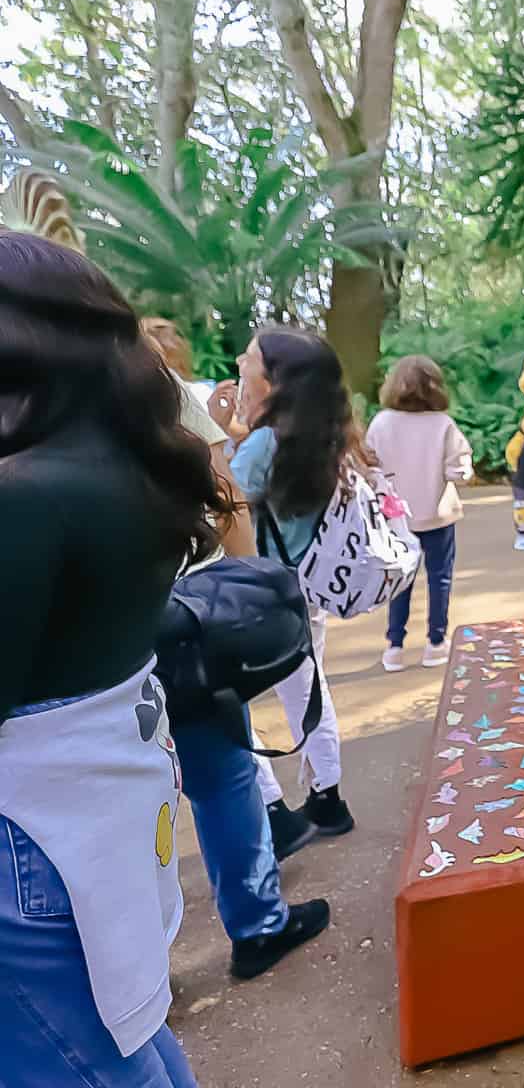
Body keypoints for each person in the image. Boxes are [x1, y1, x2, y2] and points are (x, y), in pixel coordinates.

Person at [0, 233, 218, 1085]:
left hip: (30, 841)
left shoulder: (23, 495)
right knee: (131, 1045)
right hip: (107, 817)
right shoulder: (138, 468)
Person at [143, 318, 332, 974]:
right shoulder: (153, 387)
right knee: (223, 779)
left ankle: (132, 976)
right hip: (176, 627)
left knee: (112, 808)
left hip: (61, 641)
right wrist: (253, 587)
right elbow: (227, 497)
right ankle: (258, 926)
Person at [229, 328, 357, 842]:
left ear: (274, 379)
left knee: (225, 699)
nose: (241, 362)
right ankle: (327, 796)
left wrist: (216, 437)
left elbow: (224, 502)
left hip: (261, 593)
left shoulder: (265, 443)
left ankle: (273, 807)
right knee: (308, 690)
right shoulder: (324, 433)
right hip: (307, 587)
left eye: (251, 358)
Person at [366, 355, 473, 672]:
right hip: (437, 514)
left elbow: (370, 469)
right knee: (440, 578)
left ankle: (395, 647)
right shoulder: (443, 424)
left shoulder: (382, 422)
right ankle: (435, 644)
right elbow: (459, 471)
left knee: (400, 579)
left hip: (396, 518)